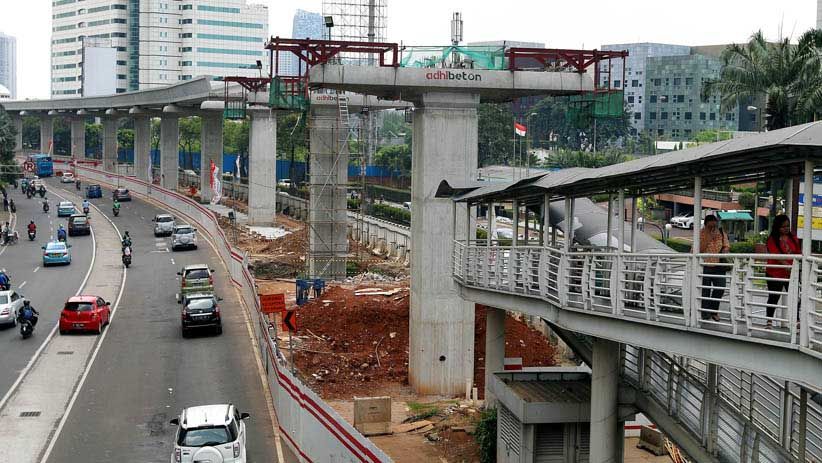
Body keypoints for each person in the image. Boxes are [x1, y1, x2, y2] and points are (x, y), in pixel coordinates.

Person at [765, 214, 801, 329]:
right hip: (774, 272)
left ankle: (797, 320)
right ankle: (769, 321)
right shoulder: (772, 239)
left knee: (795, 297)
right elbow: (776, 255)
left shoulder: (793, 238)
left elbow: (798, 253)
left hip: (791, 273)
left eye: (787, 226)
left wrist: (794, 267)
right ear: (777, 227)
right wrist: (787, 265)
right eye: (783, 226)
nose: (786, 228)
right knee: (774, 297)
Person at [699, 214, 730, 322]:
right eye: (710, 226)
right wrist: (709, 237)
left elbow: (726, 245)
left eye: (714, 226)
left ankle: (714, 311)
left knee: (720, 288)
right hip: (705, 266)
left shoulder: (721, 233)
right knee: (705, 291)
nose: (713, 228)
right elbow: (699, 249)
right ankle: (705, 314)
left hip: (718, 265)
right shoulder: (700, 233)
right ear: (705, 225)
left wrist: (725, 250)